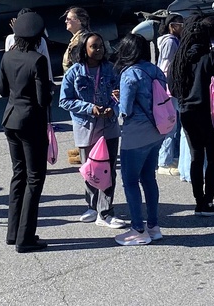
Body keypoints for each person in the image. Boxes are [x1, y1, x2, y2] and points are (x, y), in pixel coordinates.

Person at [169, 15, 214, 216]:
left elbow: (172, 88)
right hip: (211, 114)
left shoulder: (179, 61)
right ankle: (208, 201)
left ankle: (198, 200)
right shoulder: (212, 58)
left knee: (196, 157)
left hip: (187, 113)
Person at [0, 12, 53, 253]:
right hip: (31, 122)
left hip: (10, 119)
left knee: (18, 175)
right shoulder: (38, 60)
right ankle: (26, 236)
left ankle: (13, 232)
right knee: (34, 178)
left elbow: (2, 90)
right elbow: (43, 99)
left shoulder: (8, 57)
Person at [60, 31, 127, 228]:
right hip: (85, 128)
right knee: (89, 170)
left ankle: (105, 213)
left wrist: (112, 109)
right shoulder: (74, 72)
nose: (98, 50)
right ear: (84, 49)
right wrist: (90, 108)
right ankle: (92, 206)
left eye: (100, 46)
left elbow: (121, 96)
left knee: (107, 170)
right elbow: (64, 101)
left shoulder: (111, 69)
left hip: (109, 127)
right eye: (93, 46)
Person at [113, 34, 168, 245]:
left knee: (130, 180)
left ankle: (138, 228)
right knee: (148, 178)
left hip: (136, 133)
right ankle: (153, 226)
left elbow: (125, 110)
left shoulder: (129, 74)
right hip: (157, 129)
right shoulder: (155, 70)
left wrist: (116, 102)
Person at [155, 14, 183, 175]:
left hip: (168, 88)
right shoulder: (171, 42)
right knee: (171, 125)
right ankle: (164, 162)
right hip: (169, 89)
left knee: (174, 123)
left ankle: (170, 156)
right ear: (173, 26)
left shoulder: (170, 40)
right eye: (181, 24)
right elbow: (166, 65)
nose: (183, 27)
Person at [5, 8, 53, 81]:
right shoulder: (40, 40)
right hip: (33, 77)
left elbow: (7, 61)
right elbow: (46, 63)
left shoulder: (10, 39)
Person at [62, 6, 91, 73]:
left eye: (68, 19)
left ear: (78, 21)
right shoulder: (79, 38)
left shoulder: (80, 40)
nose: (66, 21)